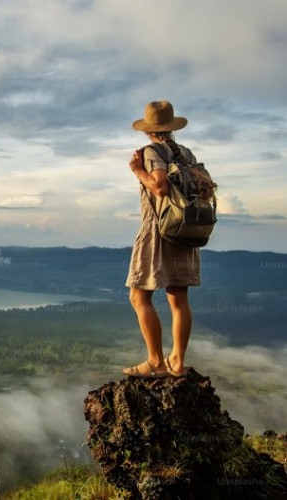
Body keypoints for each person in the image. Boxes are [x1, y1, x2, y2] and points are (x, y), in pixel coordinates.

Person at [123, 100, 206, 378]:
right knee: (178, 296)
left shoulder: (151, 153)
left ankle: (156, 361)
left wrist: (137, 171)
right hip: (185, 229)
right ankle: (178, 362)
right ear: (171, 129)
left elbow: (159, 187)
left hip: (159, 230)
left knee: (138, 295)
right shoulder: (186, 154)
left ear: (148, 130)